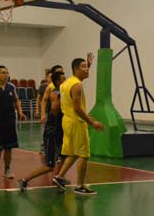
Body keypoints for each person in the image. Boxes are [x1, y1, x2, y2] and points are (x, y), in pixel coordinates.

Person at [52, 56, 105, 195]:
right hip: (77, 123)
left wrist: (88, 65)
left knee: (73, 153)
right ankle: (80, 186)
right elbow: (77, 108)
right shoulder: (77, 85)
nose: (87, 69)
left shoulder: (66, 83)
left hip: (67, 121)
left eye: (87, 67)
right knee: (84, 155)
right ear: (76, 70)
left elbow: (73, 104)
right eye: (84, 67)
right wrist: (92, 122)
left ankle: (59, 176)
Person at [19, 70, 66, 191]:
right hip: (52, 131)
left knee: (64, 157)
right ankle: (24, 180)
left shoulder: (63, 92)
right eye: (63, 79)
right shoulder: (56, 93)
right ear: (58, 82)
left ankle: (58, 178)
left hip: (60, 131)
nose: (66, 81)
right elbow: (54, 109)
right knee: (50, 165)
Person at [0, 65, 26, 179]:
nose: (6, 75)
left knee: (9, 148)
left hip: (10, 121)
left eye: (7, 73)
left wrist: (20, 112)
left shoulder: (11, 86)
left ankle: (7, 169)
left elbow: (17, 100)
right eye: (3, 73)